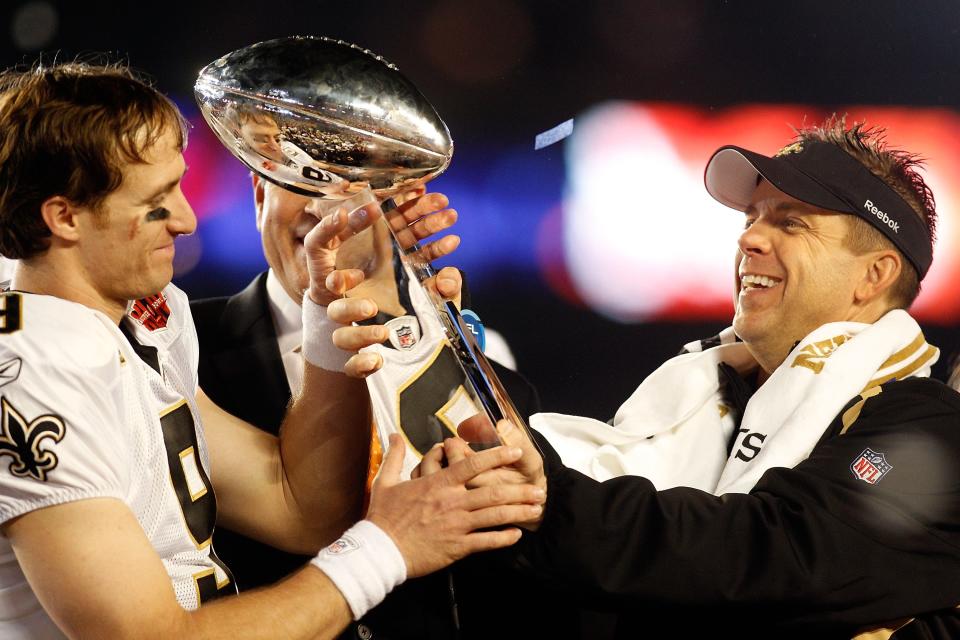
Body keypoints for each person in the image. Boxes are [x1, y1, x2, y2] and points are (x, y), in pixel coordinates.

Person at [0, 61, 544, 639]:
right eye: (155, 203)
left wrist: (324, 307)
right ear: (64, 217)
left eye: (180, 186)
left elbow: (300, 509)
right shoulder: (29, 368)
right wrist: (386, 548)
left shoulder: (141, 316)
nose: (186, 220)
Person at [416, 118, 960, 638]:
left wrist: (549, 500)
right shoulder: (714, 384)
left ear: (874, 275)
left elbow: (768, 555)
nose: (750, 240)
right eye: (752, 218)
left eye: (790, 222)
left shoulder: (927, 429)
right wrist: (418, 318)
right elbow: (562, 461)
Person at [191, 173, 563, 639]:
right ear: (260, 192)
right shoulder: (177, 355)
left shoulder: (495, 391)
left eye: (344, 183)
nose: (317, 209)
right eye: (299, 182)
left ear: (401, 199)